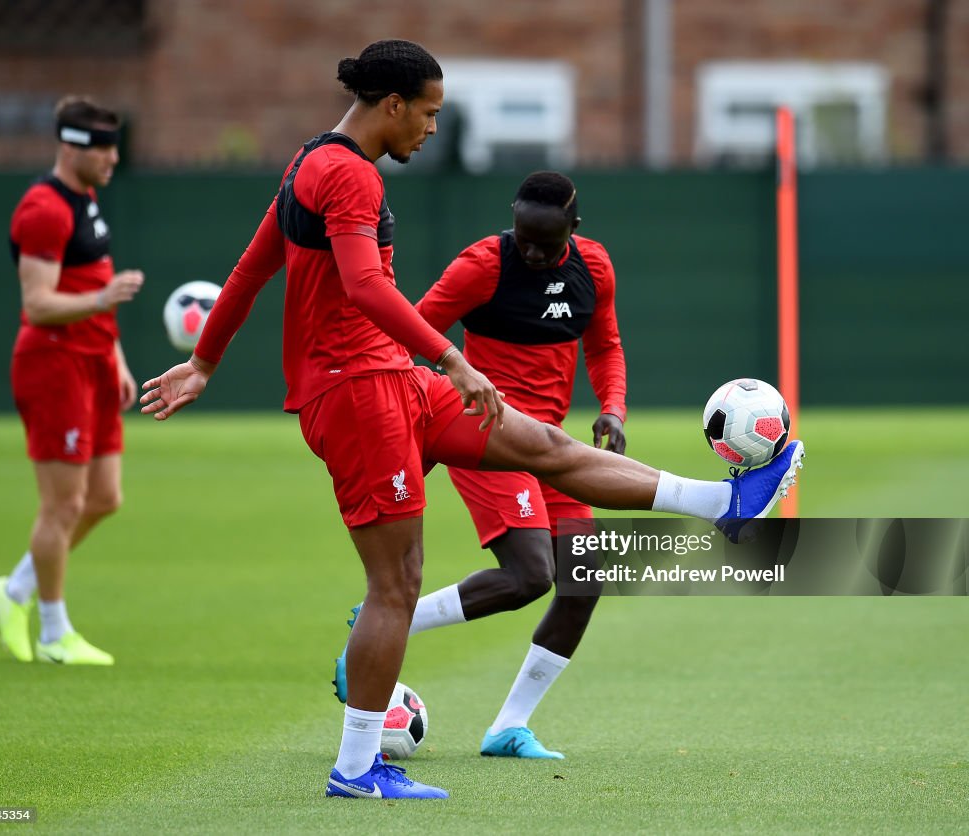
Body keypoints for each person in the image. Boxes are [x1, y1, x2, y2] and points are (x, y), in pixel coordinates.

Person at [139, 40, 804, 800]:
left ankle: (727, 502)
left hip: (393, 381)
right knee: (397, 586)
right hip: (359, 394)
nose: (430, 128)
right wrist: (452, 360)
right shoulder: (348, 175)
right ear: (392, 105)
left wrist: (205, 363)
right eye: (427, 113)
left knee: (546, 446)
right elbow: (362, 287)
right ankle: (357, 768)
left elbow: (256, 266)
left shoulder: (308, 163)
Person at [332, 171, 627, 760]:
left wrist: (613, 408)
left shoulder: (594, 268)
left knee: (584, 581)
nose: (534, 252)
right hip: (488, 434)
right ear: (512, 220)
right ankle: (390, 620)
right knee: (530, 575)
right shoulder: (483, 265)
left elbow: (605, 344)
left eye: (547, 244)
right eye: (524, 238)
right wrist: (417, 425)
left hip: (553, 448)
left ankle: (508, 728)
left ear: (575, 229)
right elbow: (408, 331)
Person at [0, 96, 144, 666]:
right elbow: (38, 303)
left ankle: (14, 590)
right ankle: (53, 631)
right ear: (71, 147)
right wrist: (103, 299)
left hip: (94, 362)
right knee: (63, 506)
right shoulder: (43, 208)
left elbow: (91, 278)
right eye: (102, 147)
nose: (113, 157)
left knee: (105, 497)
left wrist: (116, 357)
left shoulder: (86, 199)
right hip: (54, 364)